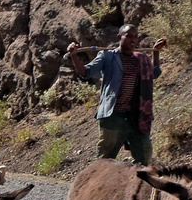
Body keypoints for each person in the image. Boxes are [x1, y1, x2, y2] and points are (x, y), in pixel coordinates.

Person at [68, 24, 166, 165]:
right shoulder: (107, 56)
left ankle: (135, 184)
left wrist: (156, 53)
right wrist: (74, 56)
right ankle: (97, 185)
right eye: (128, 36)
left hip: (136, 116)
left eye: (135, 37)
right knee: (105, 159)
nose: (133, 40)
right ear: (119, 37)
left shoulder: (140, 59)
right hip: (113, 115)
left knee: (144, 155)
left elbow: (154, 73)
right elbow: (85, 72)